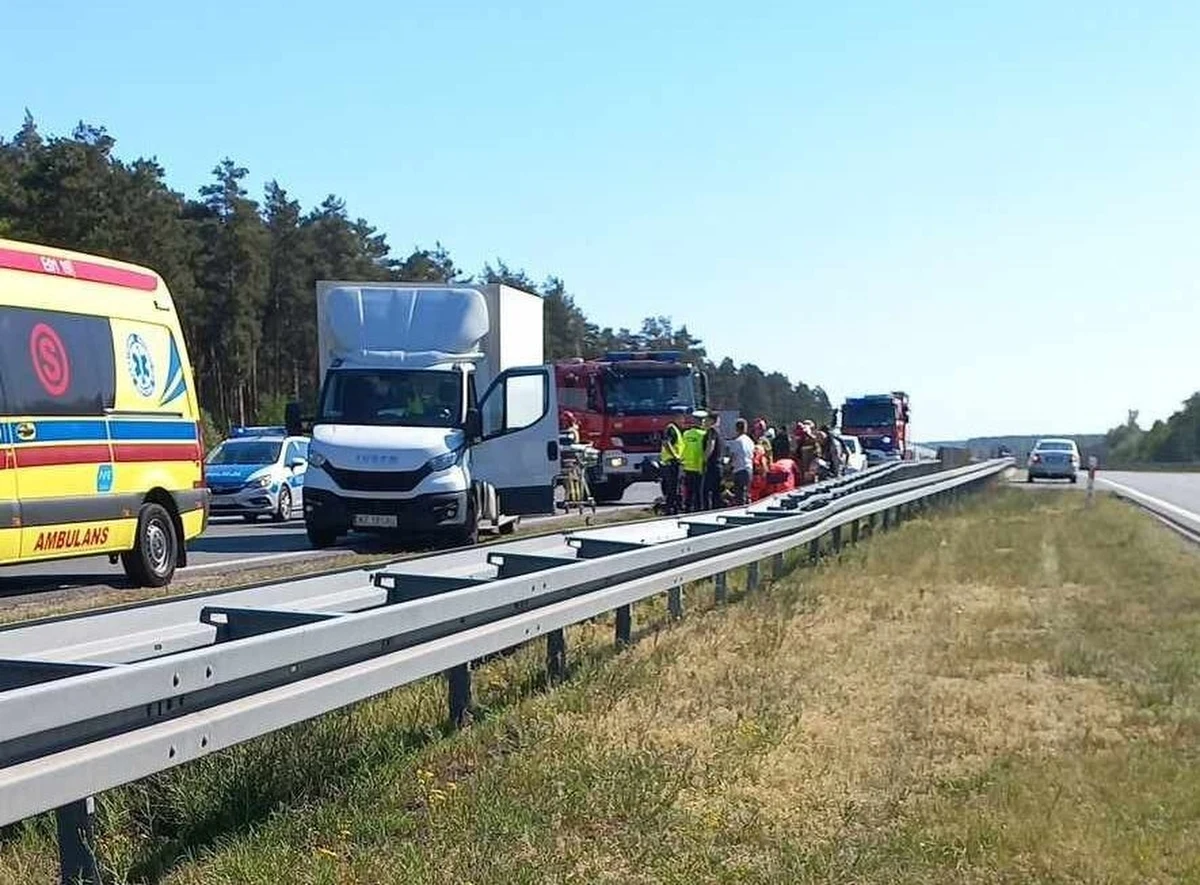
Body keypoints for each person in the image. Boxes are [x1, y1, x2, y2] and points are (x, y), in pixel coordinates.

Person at [680, 411, 707, 512]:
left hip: (687, 467)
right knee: (699, 491)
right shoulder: (704, 434)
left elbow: (683, 449)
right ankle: (699, 510)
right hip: (699, 467)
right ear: (702, 422)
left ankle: (687, 509)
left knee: (689, 491)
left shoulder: (686, 434)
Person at [659, 420, 683, 515]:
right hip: (672, 462)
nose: (683, 420)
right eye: (681, 417)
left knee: (673, 487)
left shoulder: (676, 429)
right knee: (672, 487)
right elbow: (666, 442)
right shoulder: (672, 429)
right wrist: (675, 455)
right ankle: (671, 508)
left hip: (672, 462)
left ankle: (673, 507)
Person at [729, 418, 755, 506]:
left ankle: (740, 512)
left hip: (739, 469)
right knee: (747, 493)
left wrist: (728, 466)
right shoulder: (750, 441)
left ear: (736, 428)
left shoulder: (737, 441)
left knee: (739, 496)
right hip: (749, 469)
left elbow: (733, 456)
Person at [703, 412, 723, 510]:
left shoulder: (712, 431)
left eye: (706, 420)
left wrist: (704, 459)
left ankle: (706, 511)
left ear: (711, 420)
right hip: (718, 465)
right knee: (716, 492)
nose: (705, 422)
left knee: (706, 490)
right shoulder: (719, 432)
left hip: (712, 465)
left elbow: (711, 445)